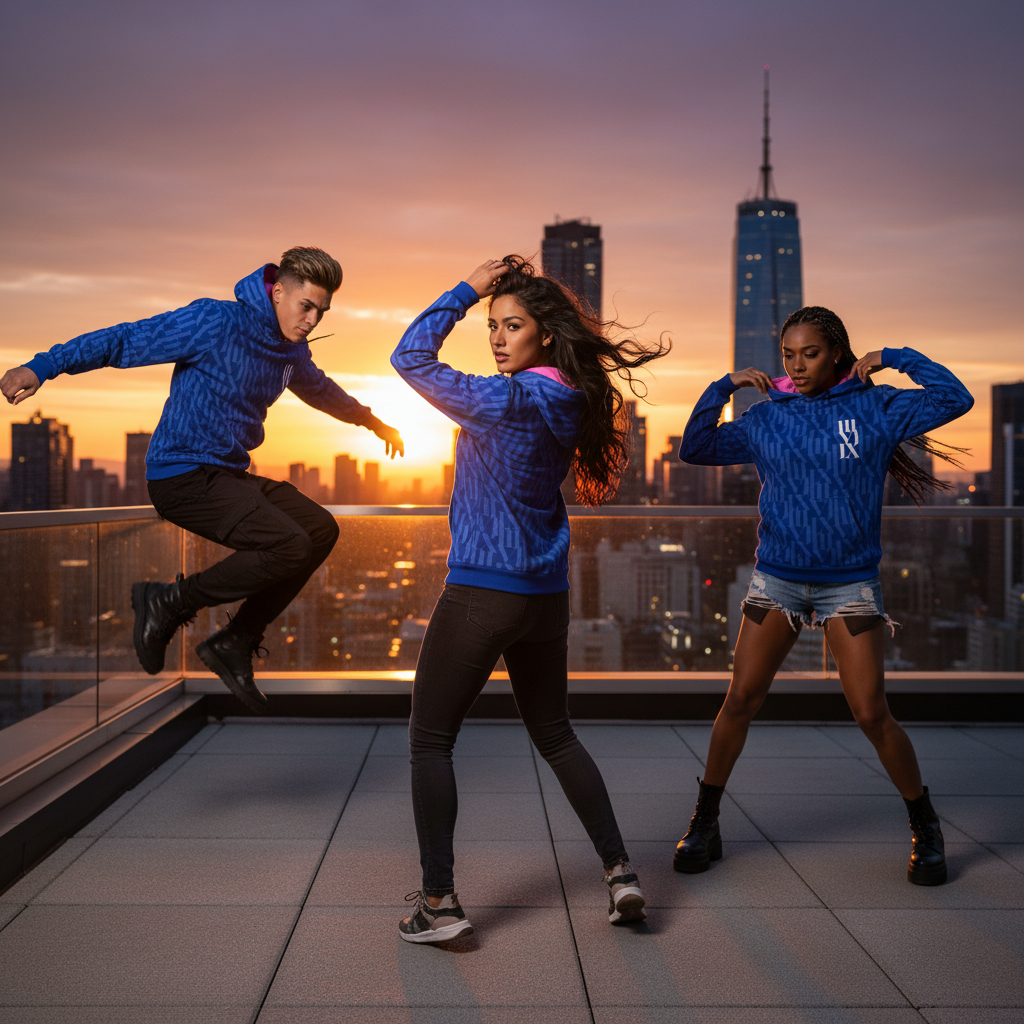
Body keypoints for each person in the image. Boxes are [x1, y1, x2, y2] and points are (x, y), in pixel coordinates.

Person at [389, 256, 670, 943]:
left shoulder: (503, 399)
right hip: (544, 596)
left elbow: (409, 356)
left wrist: (464, 289)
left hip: (483, 589)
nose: (496, 337)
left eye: (511, 325)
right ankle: (620, 873)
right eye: (491, 324)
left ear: (544, 334)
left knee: (430, 740)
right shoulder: (570, 399)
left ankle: (439, 903)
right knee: (556, 733)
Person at [1, 247, 403, 712]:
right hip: (181, 475)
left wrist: (372, 422)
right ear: (277, 293)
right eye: (305, 306)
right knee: (288, 544)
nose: (312, 319)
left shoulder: (290, 351)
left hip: (227, 475)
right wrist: (43, 366)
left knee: (319, 530)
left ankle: (236, 640)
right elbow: (124, 340)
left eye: (322, 311)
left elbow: (319, 389)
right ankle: (167, 602)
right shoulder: (216, 321)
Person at [672, 305, 973, 886]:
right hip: (777, 580)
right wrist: (722, 385)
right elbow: (696, 448)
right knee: (740, 701)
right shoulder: (767, 418)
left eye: (810, 353)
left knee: (870, 712)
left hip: (850, 585)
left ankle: (926, 825)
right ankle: (705, 822)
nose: (797, 365)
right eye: (788, 354)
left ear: (837, 352)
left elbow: (954, 397)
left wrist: (893, 358)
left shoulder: (875, 407)